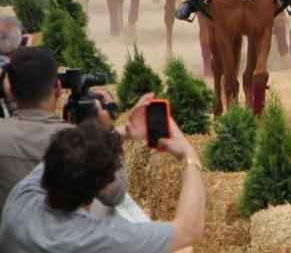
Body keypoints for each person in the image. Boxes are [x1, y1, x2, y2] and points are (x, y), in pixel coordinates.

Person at [0, 100, 206, 252]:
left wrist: (124, 132)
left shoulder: (20, 203)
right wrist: (189, 156)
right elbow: (189, 231)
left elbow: (65, 153)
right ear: (104, 186)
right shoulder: (100, 238)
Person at [0, 46, 127, 212]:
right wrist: (103, 135)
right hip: (64, 237)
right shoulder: (77, 143)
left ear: (10, 92)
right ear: (58, 89)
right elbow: (115, 194)